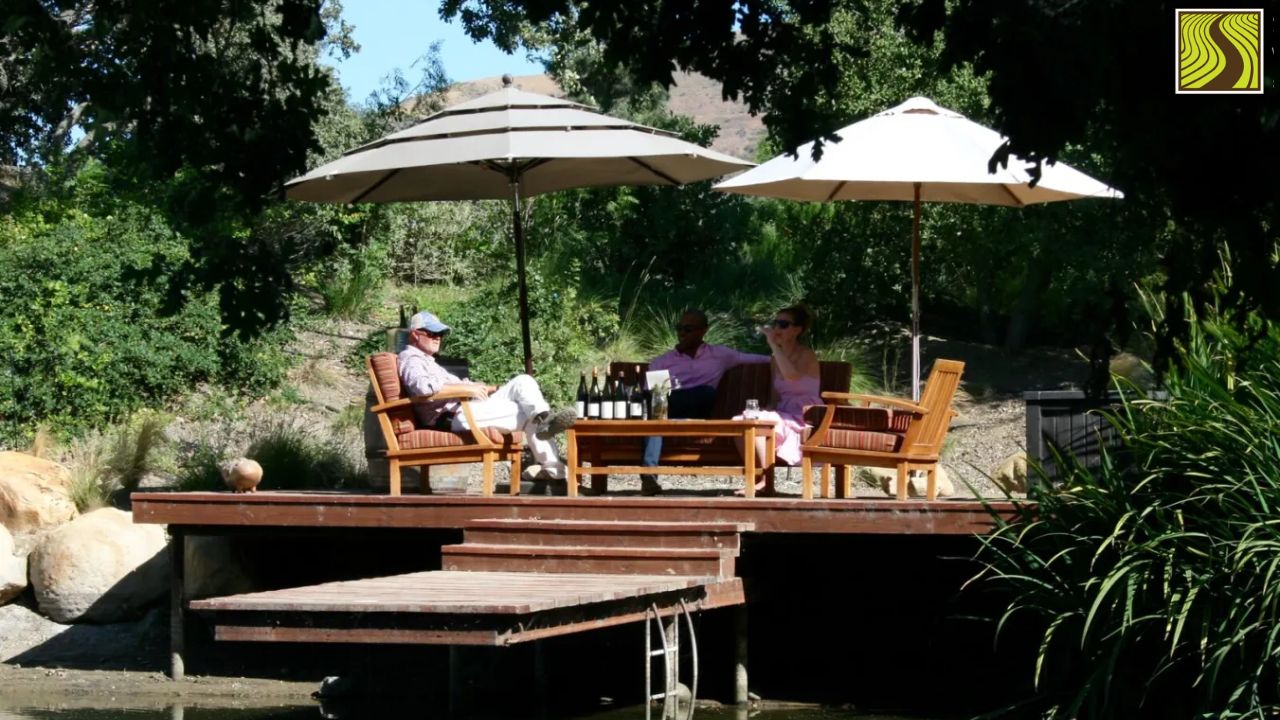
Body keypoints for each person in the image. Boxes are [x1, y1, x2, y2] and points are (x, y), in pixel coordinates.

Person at [397, 310, 575, 482]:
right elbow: (423, 388)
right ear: (415, 334)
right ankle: (553, 465)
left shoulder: (429, 361)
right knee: (526, 413)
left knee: (523, 381)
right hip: (452, 416)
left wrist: (494, 388)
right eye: (432, 333)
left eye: (440, 334)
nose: (438, 338)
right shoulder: (411, 359)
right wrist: (466, 390)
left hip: (468, 407)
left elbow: (458, 385)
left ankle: (544, 421)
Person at [639, 309, 771, 495]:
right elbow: (656, 397)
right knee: (656, 420)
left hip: (700, 406)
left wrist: (784, 360)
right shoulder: (662, 361)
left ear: (703, 330)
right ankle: (649, 478)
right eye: (679, 328)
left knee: (706, 392)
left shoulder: (720, 355)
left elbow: (756, 359)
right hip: (668, 409)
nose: (682, 333)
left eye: (688, 329)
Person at [734, 305, 822, 496]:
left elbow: (792, 376)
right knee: (742, 422)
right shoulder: (776, 360)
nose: (777, 329)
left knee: (758, 422)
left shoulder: (806, 355)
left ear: (797, 330)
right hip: (783, 412)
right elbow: (775, 396)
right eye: (775, 324)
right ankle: (756, 479)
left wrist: (773, 345)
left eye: (783, 325)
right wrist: (764, 411)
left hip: (805, 414)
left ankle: (767, 481)